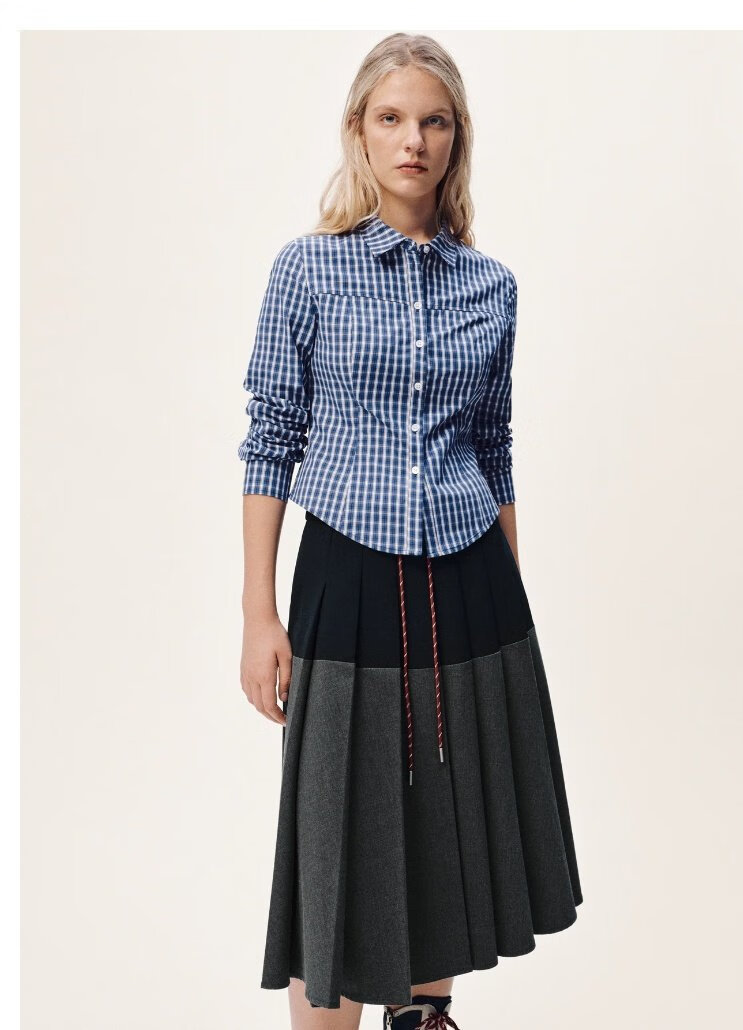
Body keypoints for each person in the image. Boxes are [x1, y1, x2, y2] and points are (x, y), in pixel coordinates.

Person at [238, 32, 583, 1030]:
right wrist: (259, 613)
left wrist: (512, 604)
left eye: (433, 121)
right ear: (359, 131)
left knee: (445, 820)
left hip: (472, 584)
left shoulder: (491, 287)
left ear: (455, 138)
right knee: (337, 842)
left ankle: (424, 1018)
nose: (413, 141)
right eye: (391, 118)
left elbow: (493, 445)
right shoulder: (307, 271)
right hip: (345, 577)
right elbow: (271, 436)